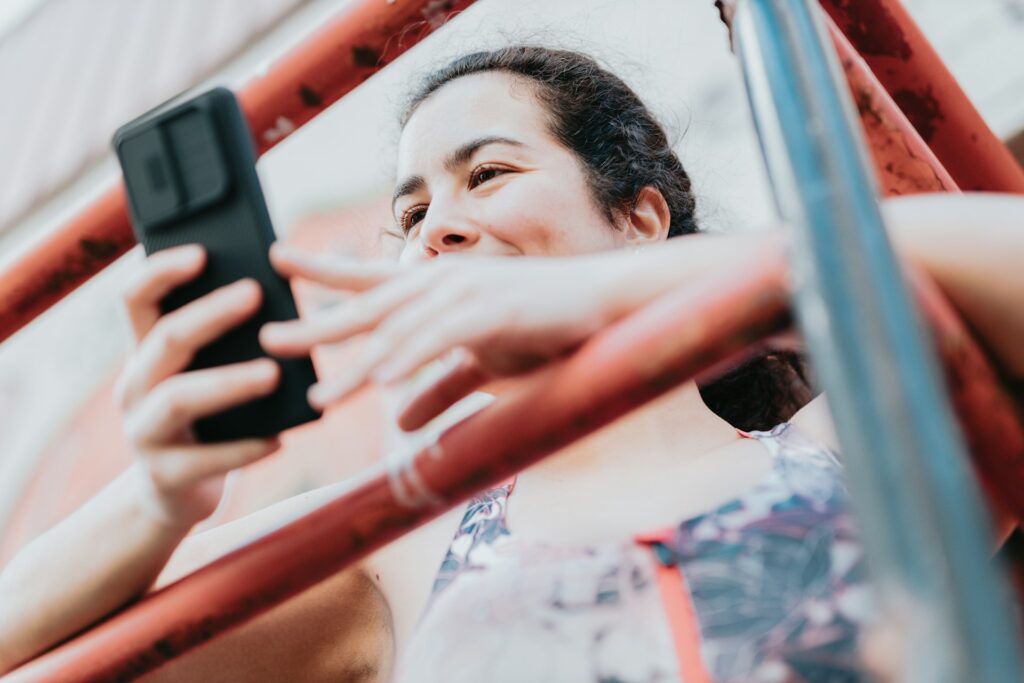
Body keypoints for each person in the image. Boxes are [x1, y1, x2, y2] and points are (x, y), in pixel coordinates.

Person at [1, 46, 1022, 682]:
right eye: (411, 215)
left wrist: (681, 290)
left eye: (486, 173)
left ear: (641, 218)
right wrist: (163, 495)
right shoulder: (397, 539)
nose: (437, 227)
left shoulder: (853, 445)